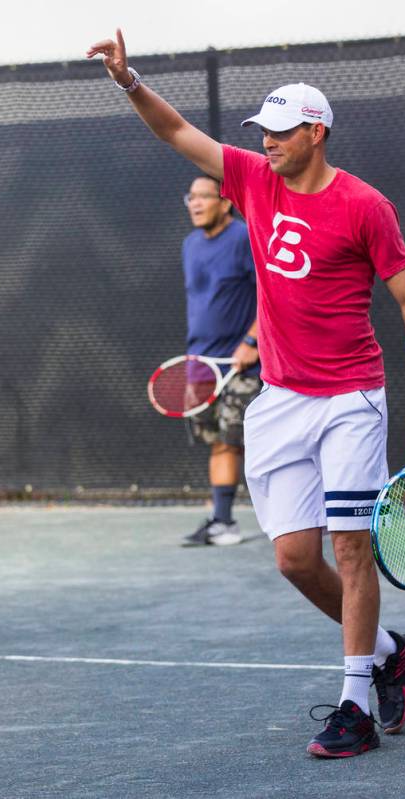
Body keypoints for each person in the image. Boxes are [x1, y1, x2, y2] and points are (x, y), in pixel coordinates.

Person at [87, 30, 405, 758]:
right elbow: (180, 132)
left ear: (316, 132)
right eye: (264, 131)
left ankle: (354, 705)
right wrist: (130, 83)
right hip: (280, 399)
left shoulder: (365, 206)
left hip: (352, 397)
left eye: (282, 132)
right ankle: (386, 652)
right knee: (293, 558)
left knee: (351, 549)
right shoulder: (253, 178)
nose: (269, 141)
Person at [180, 175, 261, 547]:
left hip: (241, 364)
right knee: (218, 443)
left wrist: (252, 342)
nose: (195, 204)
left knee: (237, 442)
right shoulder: (190, 245)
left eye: (203, 197)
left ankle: (313, 514)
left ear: (225, 202)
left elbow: (271, 293)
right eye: (190, 198)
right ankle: (222, 521)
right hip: (200, 362)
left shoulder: (244, 238)